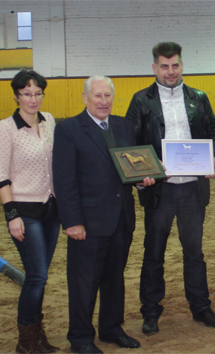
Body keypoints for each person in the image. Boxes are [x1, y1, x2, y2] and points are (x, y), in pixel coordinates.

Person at [125, 42, 215, 335]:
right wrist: (144, 173)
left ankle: (201, 307)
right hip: (160, 191)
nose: (170, 72)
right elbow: (132, 145)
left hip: (193, 189)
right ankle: (151, 311)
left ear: (182, 65)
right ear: (154, 67)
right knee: (154, 252)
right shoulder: (141, 101)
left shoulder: (199, 98)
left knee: (194, 252)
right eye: (164, 66)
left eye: (175, 65)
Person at [53, 76, 154, 354]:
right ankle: (81, 337)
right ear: (85, 98)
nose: (103, 101)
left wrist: (140, 178)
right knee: (84, 282)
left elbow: (128, 168)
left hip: (121, 218)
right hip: (87, 222)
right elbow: (64, 180)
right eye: (97, 96)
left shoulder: (122, 125)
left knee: (115, 278)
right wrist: (72, 221)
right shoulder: (69, 129)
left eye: (107, 96)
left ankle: (111, 328)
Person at [0, 69, 61, 353]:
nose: (33, 99)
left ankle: (38, 335)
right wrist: (12, 216)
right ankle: (26, 341)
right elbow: (0, 176)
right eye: (27, 94)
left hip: (51, 210)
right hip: (24, 212)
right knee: (37, 276)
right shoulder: (5, 128)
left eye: (37, 93)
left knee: (40, 275)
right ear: (17, 96)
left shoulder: (50, 122)